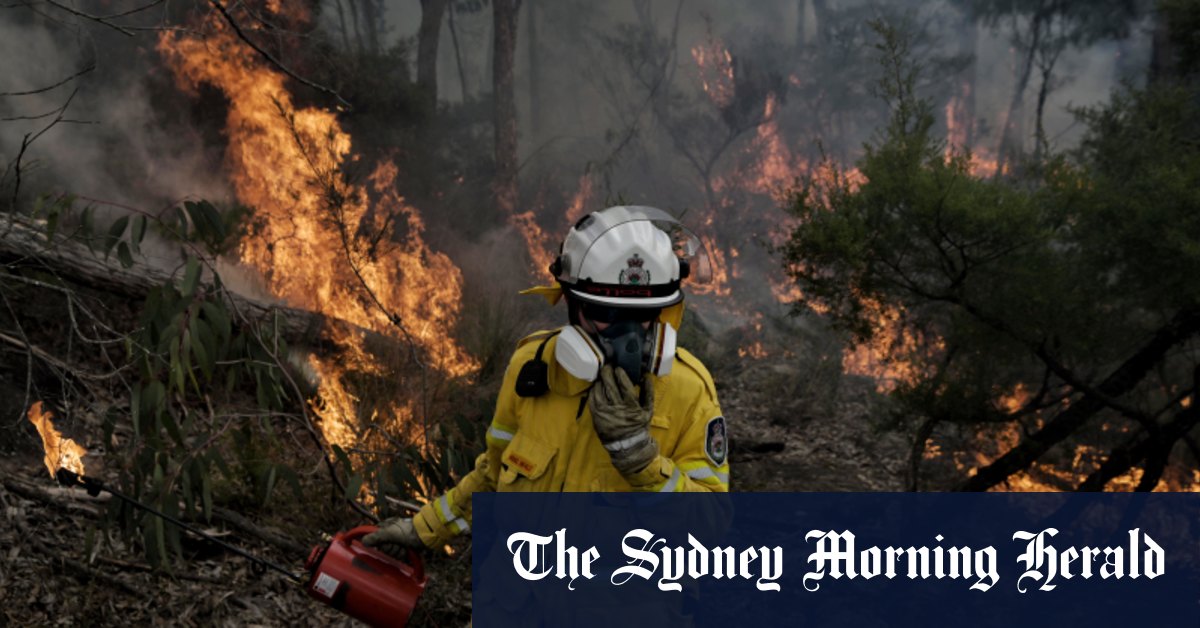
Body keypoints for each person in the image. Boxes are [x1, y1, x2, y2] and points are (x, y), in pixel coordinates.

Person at [363, 205, 728, 553]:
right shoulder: (534, 367)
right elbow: (493, 473)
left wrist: (643, 464)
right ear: (571, 304)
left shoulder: (688, 390)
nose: (626, 334)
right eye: (604, 311)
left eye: (642, 315)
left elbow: (711, 526)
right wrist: (424, 529)